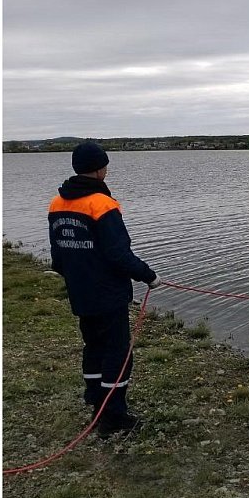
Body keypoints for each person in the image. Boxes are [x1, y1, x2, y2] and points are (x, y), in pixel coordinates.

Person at [48, 141, 164, 435]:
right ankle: (112, 416)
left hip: (80, 292)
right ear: (99, 169)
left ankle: (95, 399)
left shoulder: (57, 203)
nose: (106, 171)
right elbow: (118, 254)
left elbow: (58, 256)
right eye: (105, 166)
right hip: (107, 294)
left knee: (93, 346)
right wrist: (148, 275)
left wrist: (75, 277)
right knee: (117, 353)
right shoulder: (102, 205)